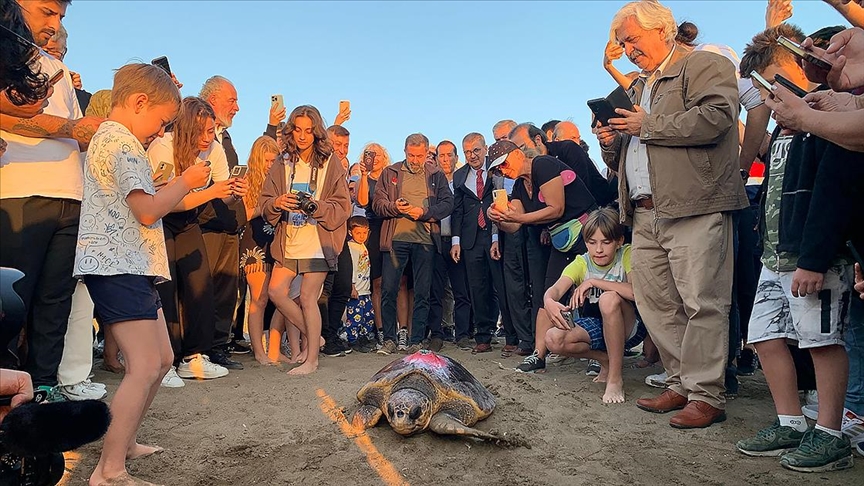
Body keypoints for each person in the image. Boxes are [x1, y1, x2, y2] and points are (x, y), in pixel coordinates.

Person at [595, 1, 747, 429]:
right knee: (656, 302)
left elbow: (718, 117)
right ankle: (681, 383)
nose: (627, 49)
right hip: (644, 212)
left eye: (632, 39)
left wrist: (649, 123)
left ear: (663, 30)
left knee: (702, 301)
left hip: (695, 203)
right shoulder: (638, 85)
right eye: (623, 43)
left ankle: (706, 394)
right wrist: (611, 138)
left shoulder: (703, 64)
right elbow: (627, 152)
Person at [734, 25, 864, 472]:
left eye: (775, 84)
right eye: (764, 92)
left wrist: (814, 258)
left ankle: (830, 434)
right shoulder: (785, 136)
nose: (771, 101)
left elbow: (833, 196)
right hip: (775, 257)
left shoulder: (830, 126)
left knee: (821, 341)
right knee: (765, 337)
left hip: (814, 258)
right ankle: (790, 422)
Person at [75, 63, 210, 486]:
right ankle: (109, 470)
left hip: (128, 263)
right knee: (146, 364)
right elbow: (148, 210)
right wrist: (187, 181)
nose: (160, 131)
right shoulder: (123, 143)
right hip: (118, 265)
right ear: (139, 103)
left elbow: (137, 202)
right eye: (162, 121)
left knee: (163, 359)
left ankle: (125, 441)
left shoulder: (109, 140)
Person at [1, 0, 103, 397]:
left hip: (69, 194)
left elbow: (72, 132)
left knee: (55, 302)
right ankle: (9, 393)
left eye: (61, 16)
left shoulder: (52, 65)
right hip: (20, 191)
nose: (54, 23)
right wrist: (70, 127)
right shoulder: (9, 55)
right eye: (46, 11)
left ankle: (44, 388)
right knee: (12, 301)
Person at [146, 97, 243, 385]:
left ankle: (195, 356)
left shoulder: (214, 148)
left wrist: (233, 191)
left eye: (211, 131)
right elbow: (165, 202)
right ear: (185, 129)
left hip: (189, 221)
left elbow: (223, 192)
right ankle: (164, 362)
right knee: (166, 289)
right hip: (159, 220)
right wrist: (212, 192)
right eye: (200, 131)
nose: (206, 138)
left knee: (201, 284)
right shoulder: (163, 146)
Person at [260, 105, 350, 375]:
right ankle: (314, 338)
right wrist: (277, 202)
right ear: (291, 131)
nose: (302, 136)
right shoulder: (281, 162)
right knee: (276, 291)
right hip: (289, 238)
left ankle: (311, 360)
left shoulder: (329, 161)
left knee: (309, 297)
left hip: (319, 238)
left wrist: (314, 207)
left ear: (316, 132)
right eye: (297, 130)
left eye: (308, 131)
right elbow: (265, 202)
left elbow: (343, 206)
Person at [542, 208, 646, 404]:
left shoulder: (626, 254)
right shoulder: (582, 262)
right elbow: (554, 290)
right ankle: (603, 359)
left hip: (631, 327)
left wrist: (594, 282)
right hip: (598, 326)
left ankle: (615, 378)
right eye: (592, 243)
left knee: (609, 299)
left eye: (606, 242)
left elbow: (635, 292)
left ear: (619, 241)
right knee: (553, 339)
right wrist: (549, 302)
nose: (598, 249)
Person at [372, 133, 453, 355]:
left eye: (419, 155)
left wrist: (425, 213)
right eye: (411, 155)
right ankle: (389, 339)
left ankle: (416, 340)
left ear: (427, 153)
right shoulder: (390, 172)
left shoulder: (436, 175)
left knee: (422, 291)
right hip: (395, 239)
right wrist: (394, 207)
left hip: (425, 240)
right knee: (389, 289)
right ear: (404, 151)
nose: (415, 160)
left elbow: (448, 204)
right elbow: (377, 204)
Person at [198, 76, 248, 366]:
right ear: (213, 99)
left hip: (229, 225)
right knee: (201, 290)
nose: (238, 107)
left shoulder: (225, 139)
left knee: (226, 291)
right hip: (203, 223)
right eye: (232, 100)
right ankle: (197, 350)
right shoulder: (193, 128)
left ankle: (217, 347)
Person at [451, 133, 508, 354]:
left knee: (502, 286)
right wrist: (455, 241)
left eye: (476, 150)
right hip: (470, 239)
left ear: (485, 149)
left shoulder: (497, 170)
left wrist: (495, 236)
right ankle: (482, 336)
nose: (472, 155)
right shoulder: (459, 176)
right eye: (467, 152)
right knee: (477, 288)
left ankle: (511, 335)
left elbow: (500, 201)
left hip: (495, 235)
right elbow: (457, 211)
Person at [238, 135, 283, 365]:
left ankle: (273, 348)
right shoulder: (248, 181)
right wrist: (267, 206)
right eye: (266, 161)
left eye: (273, 160)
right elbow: (242, 215)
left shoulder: (279, 181)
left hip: (277, 242)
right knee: (259, 298)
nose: (269, 165)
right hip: (254, 244)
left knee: (277, 297)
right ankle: (258, 351)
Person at [356, 142, 390, 347]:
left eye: (378, 154)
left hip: (391, 226)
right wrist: (363, 176)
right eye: (370, 154)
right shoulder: (365, 178)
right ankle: (379, 328)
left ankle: (394, 327)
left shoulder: (391, 176)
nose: (374, 158)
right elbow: (361, 202)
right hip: (373, 229)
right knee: (375, 282)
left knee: (396, 282)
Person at [345, 216, 376, 350]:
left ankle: (364, 337)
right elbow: (351, 267)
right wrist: (352, 286)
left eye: (364, 233)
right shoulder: (351, 247)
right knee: (354, 317)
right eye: (358, 233)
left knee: (368, 316)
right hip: (356, 290)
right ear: (350, 232)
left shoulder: (363, 246)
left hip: (365, 290)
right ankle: (352, 340)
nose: (362, 236)